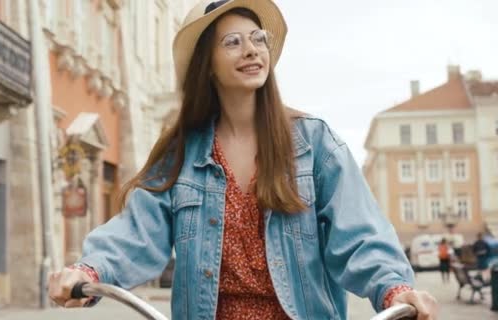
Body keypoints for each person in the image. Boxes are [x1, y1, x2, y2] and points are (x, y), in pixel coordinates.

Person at [48, 1, 439, 319]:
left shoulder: (314, 142)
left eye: (258, 39)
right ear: (208, 64)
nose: (252, 49)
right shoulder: (181, 152)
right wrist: (90, 269)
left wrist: (396, 290)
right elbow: (137, 232)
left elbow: (360, 235)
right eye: (233, 42)